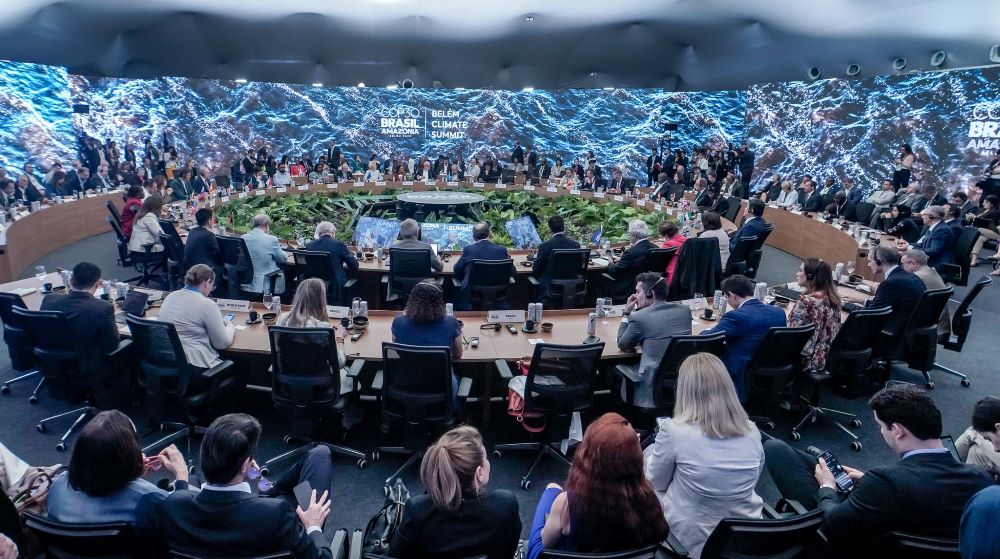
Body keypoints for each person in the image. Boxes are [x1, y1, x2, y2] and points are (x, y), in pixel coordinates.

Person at [763, 384, 992, 553]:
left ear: (898, 431)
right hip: (898, 530)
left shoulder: (886, 481)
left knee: (778, 451)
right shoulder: (982, 480)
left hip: (851, 543)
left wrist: (827, 487)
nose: (882, 433)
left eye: (882, 427)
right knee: (802, 457)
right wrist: (865, 481)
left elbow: (832, 527)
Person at [136, 413, 335, 558]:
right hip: (267, 515)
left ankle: (265, 486)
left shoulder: (173, 506)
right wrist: (313, 527)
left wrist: (182, 476)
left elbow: (180, 501)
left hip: (255, 504)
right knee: (320, 454)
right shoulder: (277, 515)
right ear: (245, 465)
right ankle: (267, 488)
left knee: (276, 487)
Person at [644, 353, 764, 558]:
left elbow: (655, 483)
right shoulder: (752, 431)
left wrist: (646, 455)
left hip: (690, 542)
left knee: (644, 475)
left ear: (683, 390)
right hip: (743, 538)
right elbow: (752, 481)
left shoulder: (673, 431)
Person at [526, 413, 668, 559]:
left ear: (587, 457)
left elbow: (545, 546)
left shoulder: (567, 504)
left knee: (551, 490)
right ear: (635, 459)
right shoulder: (655, 504)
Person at [387, 426, 519, 559]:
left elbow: (395, 556)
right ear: (479, 473)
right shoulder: (504, 505)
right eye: (485, 459)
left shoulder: (418, 509)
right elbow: (508, 553)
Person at [47, 410, 189, 524]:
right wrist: (182, 476)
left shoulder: (58, 485)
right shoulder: (148, 498)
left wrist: (130, 472)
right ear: (126, 457)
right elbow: (184, 520)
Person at [39, 262, 123, 400]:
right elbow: (112, 345)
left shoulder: (49, 299)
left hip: (52, 360)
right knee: (128, 347)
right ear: (97, 284)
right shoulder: (103, 307)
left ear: (71, 281)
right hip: (87, 365)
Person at [700, 275, 786, 400]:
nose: (727, 301)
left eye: (726, 297)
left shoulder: (736, 316)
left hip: (741, 369)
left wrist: (706, 329)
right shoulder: (778, 312)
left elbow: (708, 337)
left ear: (732, 295)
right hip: (771, 368)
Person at [615, 273, 692, 408]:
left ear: (650, 294)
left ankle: (625, 413)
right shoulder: (685, 311)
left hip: (651, 381)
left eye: (638, 292)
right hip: (682, 381)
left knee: (611, 370)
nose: (635, 296)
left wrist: (626, 313)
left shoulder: (639, 317)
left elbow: (623, 343)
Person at [390, 282, 463, 399]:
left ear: (412, 300)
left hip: (405, 385)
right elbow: (458, 355)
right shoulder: (451, 322)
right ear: (440, 302)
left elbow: (396, 345)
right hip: (441, 387)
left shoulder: (399, 321)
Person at [157, 264, 235, 371]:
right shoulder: (207, 304)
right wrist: (230, 326)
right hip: (193, 367)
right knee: (241, 366)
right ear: (207, 283)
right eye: (212, 285)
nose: (211, 289)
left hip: (166, 363)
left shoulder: (170, 296)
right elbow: (222, 343)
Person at [843, 245, 926, 345]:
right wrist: (861, 301)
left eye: (870, 261)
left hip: (889, 335)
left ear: (878, 261)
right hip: (905, 332)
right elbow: (887, 305)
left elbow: (870, 315)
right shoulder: (911, 277)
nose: (869, 265)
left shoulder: (891, 283)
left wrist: (843, 304)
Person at [788, 258, 842, 372]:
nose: (797, 274)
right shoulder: (834, 300)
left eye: (800, 271)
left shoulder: (807, 302)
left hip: (807, 359)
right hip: (826, 358)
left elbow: (790, 334)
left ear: (811, 276)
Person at [452, 223, 514, 309]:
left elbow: (457, 270)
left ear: (473, 237)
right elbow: (513, 272)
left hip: (473, 293)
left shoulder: (469, 250)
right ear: (489, 234)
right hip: (499, 293)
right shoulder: (501, 250)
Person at [901, 249, 951, 339]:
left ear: (913, 264)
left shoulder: (918, 277)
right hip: (936, 326)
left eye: (903, 263)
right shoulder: (930, 271)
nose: (902, 267)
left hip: (929, 327)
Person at [531, 215, 581, 299]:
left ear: (550, 229)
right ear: (563, 227)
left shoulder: (545, 246)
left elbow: (536, 269)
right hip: (572, 286)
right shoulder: (576, 245)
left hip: (550, 286)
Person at [305, 221, 359, 294]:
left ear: (319, 233)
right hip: (335, 285)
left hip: (313, 284)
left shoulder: (310, 245)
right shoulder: (339, 245)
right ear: (333, 232)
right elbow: (354, 266)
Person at [606, 219, 655, 297]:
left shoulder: (630, 252)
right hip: (652, 286)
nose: (629, 236)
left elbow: (614, 271)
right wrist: (623, 260)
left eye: (629, 233)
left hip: (630, 288)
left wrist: (610, 262)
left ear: (634, 236)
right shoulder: (656, 248)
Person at [241, 213, 288, 294]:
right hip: (265, 283)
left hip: (246, 281)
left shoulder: (243, 237)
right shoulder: (271, 239)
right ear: (266, 225)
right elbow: (282, 259)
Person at [906, 205, 957, 273]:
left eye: (924, 214)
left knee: (905, 264)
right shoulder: (934, 227)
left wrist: (910, 248)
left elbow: (933, 251)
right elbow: (923, 244)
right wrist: (907, 244)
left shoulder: (942, 230)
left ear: (932, 216)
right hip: (931, 259)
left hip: (938, 263)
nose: (922, 216)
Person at [182, 208, 224, 283]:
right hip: (201, 268)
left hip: (188, 266)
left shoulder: (192, 231)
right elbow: (218, 253)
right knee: (223, 267)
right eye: (212, 218)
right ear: (209, 221)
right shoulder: (209, 235)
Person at [968, 195, 1000, 267]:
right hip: (985, 233)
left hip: (995, 233)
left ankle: (969, 250)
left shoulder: (995, 213)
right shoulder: (982, 210)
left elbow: (991, 224)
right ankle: (974, 260)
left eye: (986, 202)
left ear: (992, 204)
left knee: (978, 230)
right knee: (980, 239)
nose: (983, 203)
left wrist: (975, 218)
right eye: (984, 202)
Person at [659, 221, 686, 285]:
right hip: (686, 275)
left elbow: (660, 263)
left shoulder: (667, 245)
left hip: (672, 278)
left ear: (665, 236)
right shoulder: (687, 241)